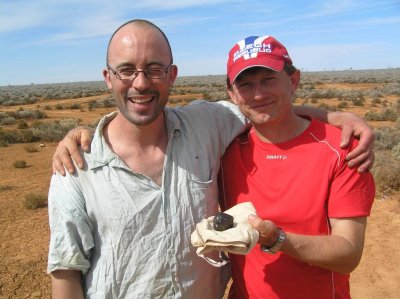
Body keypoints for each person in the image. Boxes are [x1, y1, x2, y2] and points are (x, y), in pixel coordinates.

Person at [48, 19, 374, 298]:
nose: (141, 82)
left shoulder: (206, 126)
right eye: (126, 70)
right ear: (108, 77)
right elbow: (65, 271)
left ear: (172, 74)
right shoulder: (76, 166)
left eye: (154, 69)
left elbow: (266, 109)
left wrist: (334, 116)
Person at [218, 35, 375, 299]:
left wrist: (278, 240)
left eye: (269, 80)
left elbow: (348, 253)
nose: (258, 93)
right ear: (232, 94)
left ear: (293, 80)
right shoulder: (225, 149)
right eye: (245, 85)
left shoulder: (342, 151)